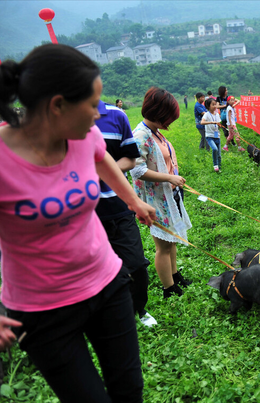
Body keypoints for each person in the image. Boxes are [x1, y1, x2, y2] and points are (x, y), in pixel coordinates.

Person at [0, 43, 156, 401]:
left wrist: (134, 200)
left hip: (107, 285)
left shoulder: (83, 135)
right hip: (43, 312)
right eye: (92, 105)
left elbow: (103, 160)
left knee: (129, 391)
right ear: (57, 105)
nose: (99, 114)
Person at [94, 99, 156, 327]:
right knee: (98, 269)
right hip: (84, 213)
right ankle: (109, 315)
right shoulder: (60, 121)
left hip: (119, 206)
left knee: (137, 265)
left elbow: (130, 158)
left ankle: (138, 308)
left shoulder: (116, 116)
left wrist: (103, 171)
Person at [130, 87, 193, 298]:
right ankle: (169, 288)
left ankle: (175, 276)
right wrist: (169, 177)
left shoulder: (155, 132)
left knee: (171, 239)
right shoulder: (140, 135)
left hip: (168, 195)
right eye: (169, 117)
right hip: (156, 198)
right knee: (163, 246)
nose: (171, 121)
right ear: (159, 114)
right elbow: (137, 170)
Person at [201, 98, 223, 172]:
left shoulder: (217, 114)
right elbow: (202, 122)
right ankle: (215, 164)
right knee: (214, 149)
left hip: (217, 136)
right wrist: (211, 122)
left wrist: (220, 126)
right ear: (208, 106)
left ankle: (219, 167)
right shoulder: (206, 114)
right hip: (209, 136)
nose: (215, 106)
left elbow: (219, 124)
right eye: (213, 104)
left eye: (215, 104)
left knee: (219, 154)